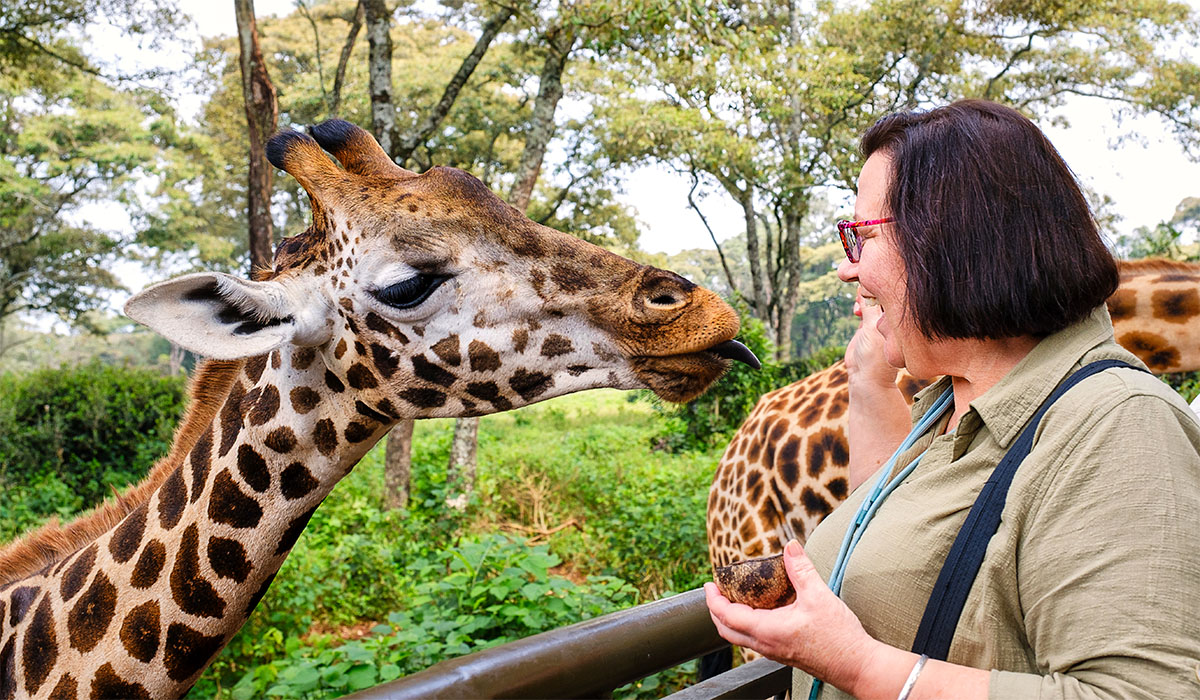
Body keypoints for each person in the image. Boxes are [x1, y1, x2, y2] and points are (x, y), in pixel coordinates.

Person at [704, 99, 1200, 700]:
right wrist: (868, 378)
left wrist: (858, 667)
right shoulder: (953, 403)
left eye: (859, 236)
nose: (845, 270)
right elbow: (887, 526)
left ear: (948, 241)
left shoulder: (1117, 424)